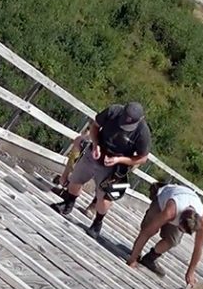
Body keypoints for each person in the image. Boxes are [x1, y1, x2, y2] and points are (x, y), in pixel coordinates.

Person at [54, 102, 151, 238]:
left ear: (140, 119)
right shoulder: (113, 111)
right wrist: (96, 144)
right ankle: (68, 203)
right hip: (97, 151)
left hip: (114, 165)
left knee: (105, 197)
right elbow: (95, 126)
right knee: (76, 178)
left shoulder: (142, 132)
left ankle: (97, 223)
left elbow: (142, 158)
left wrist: (119, 160)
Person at [127, 182, 203, 286]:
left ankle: (150, 258)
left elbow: (199, 248)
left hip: (185, 201)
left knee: (173, 241)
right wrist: (132, 260)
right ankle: (136, 253)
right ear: (180, 220)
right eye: (180, 228)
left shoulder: (202, 222)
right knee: (149, 228)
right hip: (163, 200)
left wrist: (190, 272)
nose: (181, 231)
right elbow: (146, 233)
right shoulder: (170, 211)